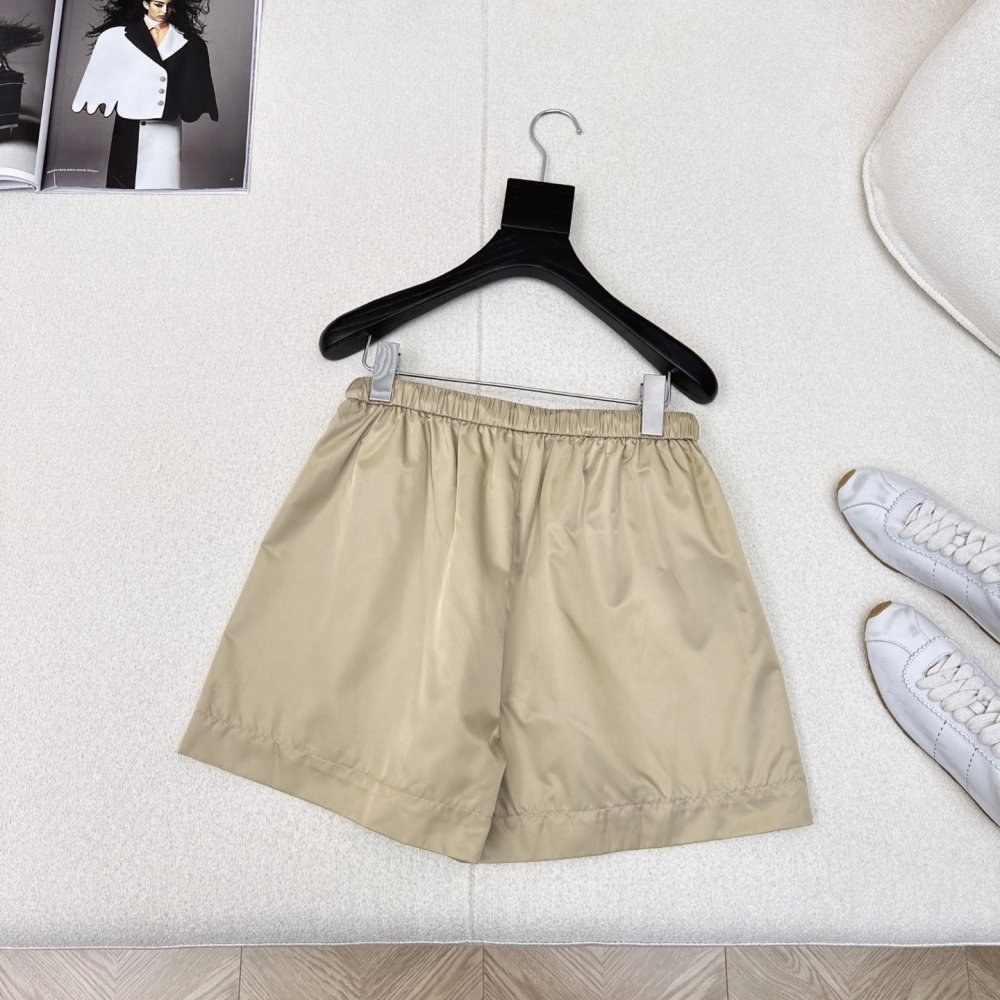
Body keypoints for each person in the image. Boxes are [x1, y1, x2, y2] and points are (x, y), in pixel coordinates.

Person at [71, 0, 218, 189]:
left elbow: (193, 83)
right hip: (129, 121)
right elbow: (105, 71)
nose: (165, 10)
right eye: (159, 4)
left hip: (166, 123)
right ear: (145, 4)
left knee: (163, 184)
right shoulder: (118, 36)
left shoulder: (188, 42)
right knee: (124, 186)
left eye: (170, 5)